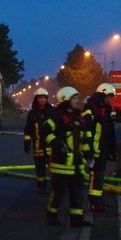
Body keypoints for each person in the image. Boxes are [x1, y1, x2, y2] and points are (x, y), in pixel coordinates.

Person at [42, 86, 92, 227]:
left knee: (77, 192)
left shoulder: (77, 116)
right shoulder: (57, 116)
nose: (77, 100)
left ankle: (76, 219)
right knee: (59, 192)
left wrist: (88, 154)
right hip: (61, 164)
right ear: (65, 100)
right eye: (74, 98)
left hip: (76, 163)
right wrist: (57, 143)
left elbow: (82, 138)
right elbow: (45, 130)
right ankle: (51, 215)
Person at [82, 83, 117, 212]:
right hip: (95, 148)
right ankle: (94, 202)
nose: (110, 99)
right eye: (109, 96)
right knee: (96, 175)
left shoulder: (105, 108)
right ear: (102, 95)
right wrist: (88, 148)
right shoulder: (90, 107)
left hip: (103, 148)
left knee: (100, 175)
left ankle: (98, 200)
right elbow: (86, 126)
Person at [23, 87, 52, 193]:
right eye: (40, 98)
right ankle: (41, 187)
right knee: (40, 169)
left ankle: (57, 187)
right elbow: (28, 129)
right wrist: (27, 141)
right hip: (38, 146)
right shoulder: (32, 113)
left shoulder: (52, 111)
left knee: (54, 168)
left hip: (51, 146)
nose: (42, 100)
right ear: (36, 99)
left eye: (44, 97)